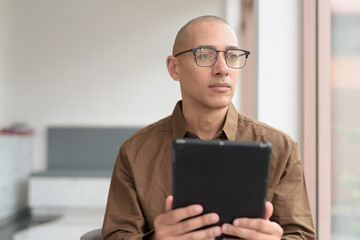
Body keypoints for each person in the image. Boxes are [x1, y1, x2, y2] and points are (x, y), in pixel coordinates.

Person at [102, 15, 315, 240]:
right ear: (174, 68)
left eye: (232, 56)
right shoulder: (135, 152)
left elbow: (302, 236)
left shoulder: (281, 148)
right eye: (205, 55)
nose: (222, 69)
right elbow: (116, 235)